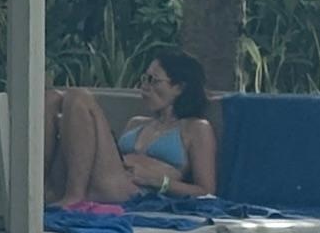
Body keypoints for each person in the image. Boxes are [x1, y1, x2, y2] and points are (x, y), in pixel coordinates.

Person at [47, 50, 212, 206]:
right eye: (144, 79)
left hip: (130, 189)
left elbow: (206, 191)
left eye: (153, 80)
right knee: (51, 98)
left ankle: (75, 196)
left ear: (179, 88)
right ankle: (42, 183)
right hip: (102, 175)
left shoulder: (196, 128)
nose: (145, 87)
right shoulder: (136, 123)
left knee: (79, 97)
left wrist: (160, 182)